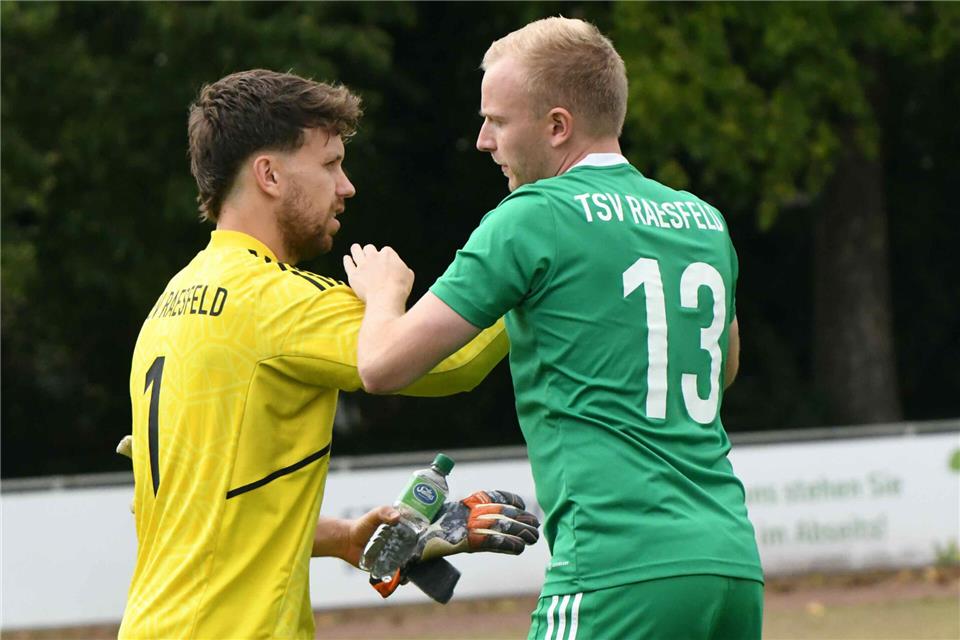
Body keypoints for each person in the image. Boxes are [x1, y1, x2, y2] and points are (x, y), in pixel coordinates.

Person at [344, 17, 764, 640]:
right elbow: (721, 369)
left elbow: (381, 366)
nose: (483, 141)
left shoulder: (532, 217)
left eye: (497, 121)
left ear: (558, 126)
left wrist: (384, 294)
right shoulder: (703, 219)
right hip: (731, 562)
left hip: (617, 568)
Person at [120, 69, 539, 640]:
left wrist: (343, 538)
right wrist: (536, 260)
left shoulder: (168, 307)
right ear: (269, 175)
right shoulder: (277, 301)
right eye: (330, 164)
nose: (347, 186)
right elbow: (451, 362)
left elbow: (200, 510)